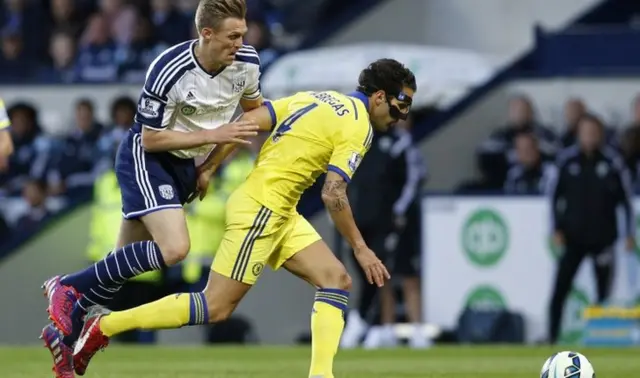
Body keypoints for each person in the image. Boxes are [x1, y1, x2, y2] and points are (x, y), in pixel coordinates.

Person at [73, 58, 416, 378]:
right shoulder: (360, 128)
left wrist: (209, 167)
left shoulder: (320, 98)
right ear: (380, 97)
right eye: (401, 105)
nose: (401, 116)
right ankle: (103, 326)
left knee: (335, 279)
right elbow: (333, 193)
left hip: (277, 209)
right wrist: (360, 247)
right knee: (215, 307)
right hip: (263, 211)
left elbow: (248, 121)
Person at [40, 0, 263, 376]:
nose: (241, 42)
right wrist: (213, 135)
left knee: (115, 271)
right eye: (232, 36)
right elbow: (150, 139)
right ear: (206, 33)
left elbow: (252, 115)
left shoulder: (248, 62)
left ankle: (63, 336)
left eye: (242, 34)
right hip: (147, 158)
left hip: (186, 164)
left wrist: (208, 166)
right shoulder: (169, 67)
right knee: (175, 248)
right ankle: (65, 285)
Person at [548, 113, 635, 344]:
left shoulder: (613, 163)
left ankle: (601, 338)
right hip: (573, 238)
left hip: (603, 239)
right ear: (579, 134)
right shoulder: (566, 161)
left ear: (601, 134)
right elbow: (553, 197)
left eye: (594, 132)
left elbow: (626, 202)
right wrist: (556, 228)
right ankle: (551, 337)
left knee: (603, 294)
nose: (590, 137)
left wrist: (629, 234)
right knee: (560, 290)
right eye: (586, 132)